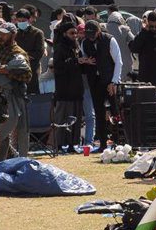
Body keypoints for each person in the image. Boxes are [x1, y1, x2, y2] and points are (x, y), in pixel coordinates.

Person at [0, 24, 32, 160]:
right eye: (0, 33)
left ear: (13, 35)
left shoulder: (18, 53)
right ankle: (0, 161)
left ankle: (18, 159)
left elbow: (27, 76)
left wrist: (7, 72)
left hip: (10, 95)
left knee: (8, 128)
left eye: (4, 34)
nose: (1, 36)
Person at [80, 19, 122, 152]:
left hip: (109, 80)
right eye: (88, 34)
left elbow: (118, 62)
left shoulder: (110, 40)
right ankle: (102, 144)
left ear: (98, 31)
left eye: (93, 34)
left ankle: (118, 141)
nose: (91, 37)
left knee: (115, 111)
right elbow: (83, 57)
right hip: (95, 81)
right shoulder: (84, 42)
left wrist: (114, 82)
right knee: (99, 112)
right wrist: (85, 61)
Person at [51, 22, 85, 153]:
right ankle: (59, 144)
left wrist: (84, 61)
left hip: (76, 87)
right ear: (65, 34)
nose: (75, 36)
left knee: (75, 116)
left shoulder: (76, 47)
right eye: (72, 33)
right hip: (64, 88)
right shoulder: (60, 47)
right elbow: (58, 66)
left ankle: (72, 144)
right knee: (62, 116)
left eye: (76, 33)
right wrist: (75, 61)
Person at [14, 8, 47, 95]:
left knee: (32, 93)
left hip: (32, 68)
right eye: (19, 21)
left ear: (29, 20)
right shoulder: (15, 33)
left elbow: (39, 52)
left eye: (23, 21)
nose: (21, 23)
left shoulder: (37, 33)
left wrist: (24, 56)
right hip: (17, 69)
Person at [105, 11, 135, 83]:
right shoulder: (125, 29)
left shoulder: (103, 27)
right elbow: (134, 41)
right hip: (125, 63)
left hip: (108, 63)